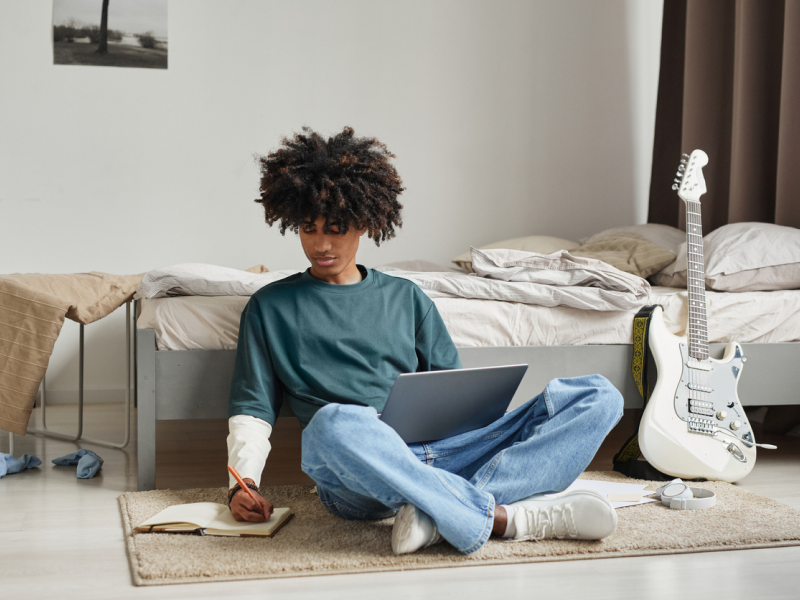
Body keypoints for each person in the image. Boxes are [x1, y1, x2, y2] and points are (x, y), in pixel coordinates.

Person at [226, 126, 624, 555]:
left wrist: (478, 433)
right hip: (357, 474)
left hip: (446, 453)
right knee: (331, 422)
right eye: (308, 228)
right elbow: (252, 409)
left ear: (363, 223)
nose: (321, 244)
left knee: (600, 396)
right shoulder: (269, 307)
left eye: (336, 228)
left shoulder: (407, 297)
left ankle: (433, 512)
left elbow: (455, 397)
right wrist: (240, 484)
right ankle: (505, 518)